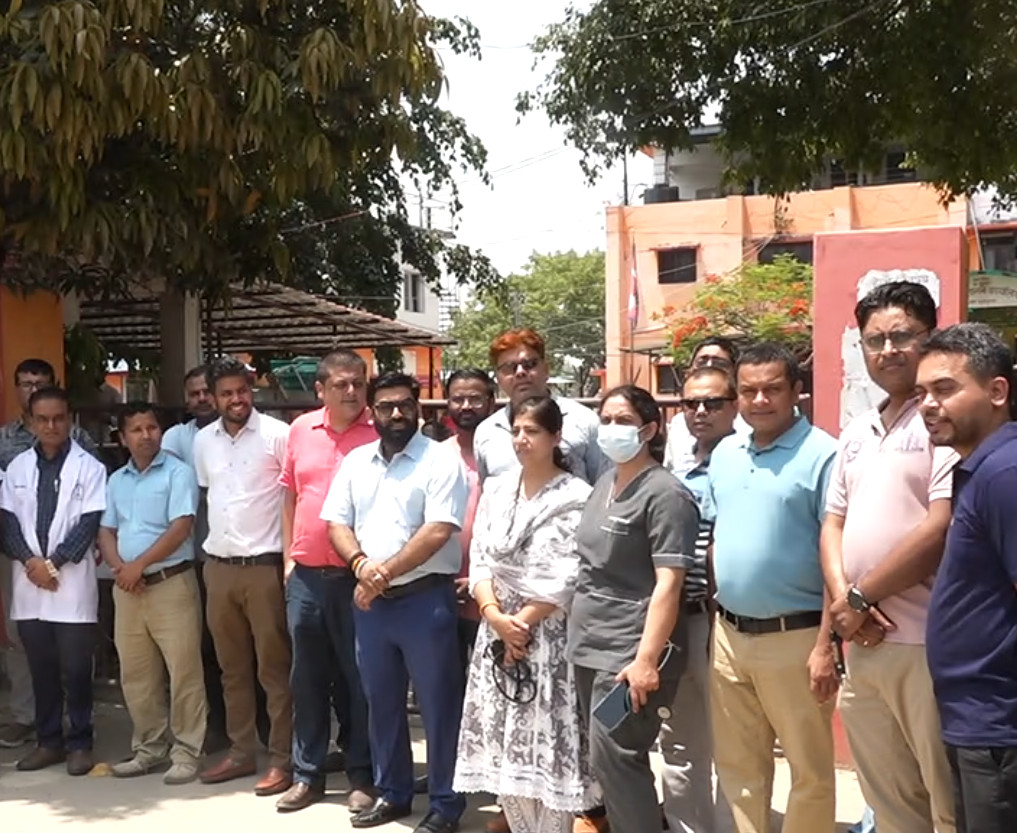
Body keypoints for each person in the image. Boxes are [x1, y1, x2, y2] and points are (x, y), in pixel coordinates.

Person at [820, 282, 956, 833]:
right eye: (874, 340)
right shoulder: (856, 430)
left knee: (946, 800)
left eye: (901, 335)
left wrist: (858, 598)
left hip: (926, 644)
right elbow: (832, 524)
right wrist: (845, 608)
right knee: (890, 799)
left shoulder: (944, 422)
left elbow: (939, 527)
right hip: (864, 644)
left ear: (930, 336)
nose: (887, 350)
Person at [321, 371, 468, 833]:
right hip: (373, 606)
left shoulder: (440, 461)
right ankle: (394, 792)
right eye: (386, 407)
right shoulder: (356, 462)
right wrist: (361, 565)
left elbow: (438, 529)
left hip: (425, 601)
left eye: (405, 404)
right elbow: (336, 523)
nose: (397, 413)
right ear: (373, 412)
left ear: (418, 408)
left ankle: (445, 804)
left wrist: (380, 573)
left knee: (439, 707)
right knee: (380, 703)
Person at [706, 342, 838, 833]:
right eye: (749, 391)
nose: (759, 400)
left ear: (797, 391)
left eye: (772, 389)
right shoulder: (725, 453)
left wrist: (826, 645)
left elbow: (837, 555)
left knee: (809, 772)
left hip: (797, 638)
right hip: (729, 635)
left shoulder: (824, 455)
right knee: (739, 768)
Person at [455, 396, 596, 833]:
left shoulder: (576, 496)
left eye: (532, 431)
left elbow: (566, 573)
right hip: (497, 632)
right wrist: (495, 617)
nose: (521, 439)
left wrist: (521, 624)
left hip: (547, 636)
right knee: (505, 749)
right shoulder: (497, 488)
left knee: (547, 748)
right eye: (516, 430)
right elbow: (481, 559)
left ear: (556, 437)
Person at [569, 385, 700, 833]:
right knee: (604, 759)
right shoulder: (605, 483)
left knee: (618, 754)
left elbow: (669, 583)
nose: (611, 428)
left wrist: (646, 660)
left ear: (649, 429)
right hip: (589, 645)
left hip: (628, 653)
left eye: (623, 421)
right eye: (605, 419)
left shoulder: (665, 494)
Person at [917, 323, 1017, 833]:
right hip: (973, 718)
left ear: (997, 392)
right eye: (922, 392)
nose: (928, 405)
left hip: (999, 725)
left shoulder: (1005, 474)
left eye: (944, 389)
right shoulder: (980, 469)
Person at [275, 350, 378, 814]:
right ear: (321, 390)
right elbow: (291, 497)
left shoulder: (378, 432)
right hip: (307, 578)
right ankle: (307, 775)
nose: (352, 391)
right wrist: (288, 561)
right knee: (308, 680)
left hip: (358, 580)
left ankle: (361, 773)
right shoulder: (300, 430)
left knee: (359, 680)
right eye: (341, 384)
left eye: (358, 383)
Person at [193, 357, 292, 797]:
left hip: (264, 568)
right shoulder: (203, 442)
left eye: (242, 391)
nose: (236, 399)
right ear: (213, 398)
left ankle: (283, 759)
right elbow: (208, 494)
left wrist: (288, 564)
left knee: (274, 670)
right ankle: (240, 752)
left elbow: (292, 498)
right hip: (218, 568)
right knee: (231, 669)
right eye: (227, 393)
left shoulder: (277, 435)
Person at [97, 403, 206, 785]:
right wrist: (121, 569)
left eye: (152, 428)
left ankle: (186, 753)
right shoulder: (117, 480)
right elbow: (106, 530)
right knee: (136, 675)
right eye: (137, 429)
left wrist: (138, 565)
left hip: (170, 584)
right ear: (123, 437)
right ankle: (148, 749)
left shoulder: (178, 473)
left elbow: (181, 527)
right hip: (128, 589)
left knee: (184, 673)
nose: (146, 435)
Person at [0, 387, 106, 775]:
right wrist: (31, 562)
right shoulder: (17, 468)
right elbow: (7, 522)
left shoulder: (90, 468)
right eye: (42, 419)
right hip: (30, 582)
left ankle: (80, 743)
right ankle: (48, 742)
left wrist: (54, 564)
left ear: (69, 419)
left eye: (58, 418)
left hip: (70, 583)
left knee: (76, 670)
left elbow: (89, 522)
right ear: (30, 423)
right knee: (41, 669)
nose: (51, 426)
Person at [660, 366, 738, 833]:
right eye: (691, 403)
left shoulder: (747, 467)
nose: (701, 412)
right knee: (679, 742)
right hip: (677, 622)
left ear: (734, 406)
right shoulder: (678, 476)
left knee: (732, 740)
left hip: (724, 622)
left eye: (713, 403)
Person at [161, 364, 234, 753]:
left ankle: (261, 726)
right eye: (194, 394)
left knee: (251, 647)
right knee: (207, 647)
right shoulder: (177, 438)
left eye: (207, 391)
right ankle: (216, 725)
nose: (202, 398)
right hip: (195, 557)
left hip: (240, 554)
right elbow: (177, 491)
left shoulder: (242, 434)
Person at [474, 328, 607, 485]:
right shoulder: (487, 432)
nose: (520, 372)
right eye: (510, 367)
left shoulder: (584, 420)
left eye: (529, 364)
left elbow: (605, 485)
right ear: (498, 377)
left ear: (546, 369)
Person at [443, 368, 497, 675]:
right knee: (445, 687)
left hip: (494, 596)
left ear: (491, 402)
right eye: (458, 399)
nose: (466, 406)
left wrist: (479, 579)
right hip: (442, 592)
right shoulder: (435, 457)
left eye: (475, 399)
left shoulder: (509, 456)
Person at [664, 338, 749, 475]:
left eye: (713, 404)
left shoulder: (750, 423)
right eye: (702, 361)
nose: (709, 366)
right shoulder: (678, 424)